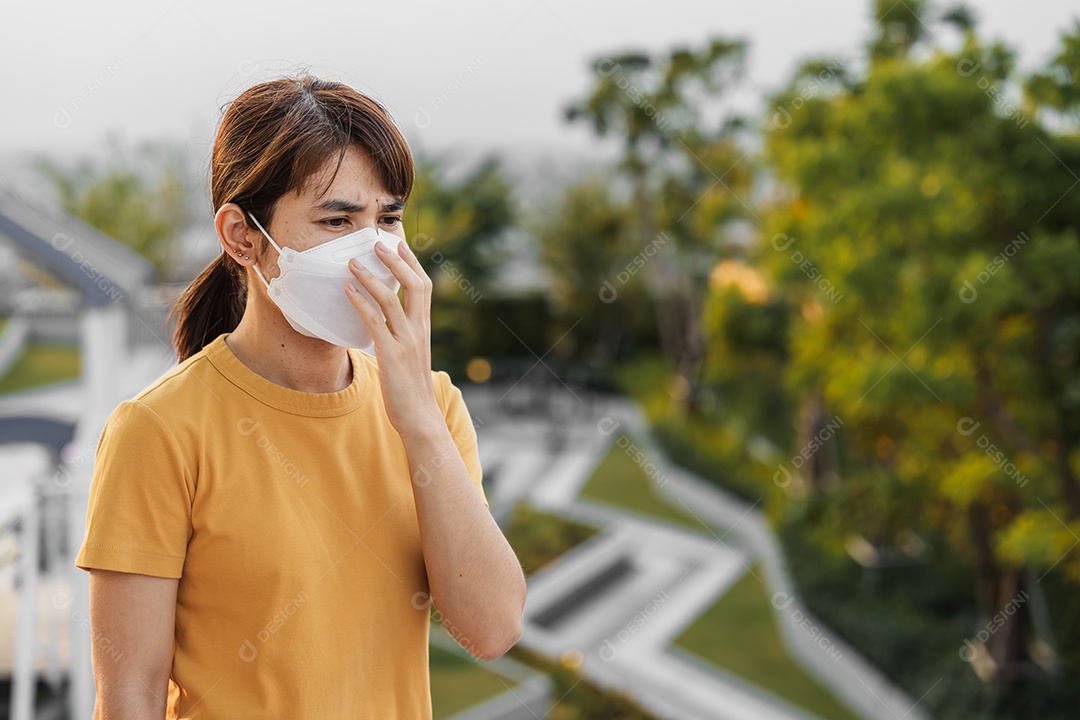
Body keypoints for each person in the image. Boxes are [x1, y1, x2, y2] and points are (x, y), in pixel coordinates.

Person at [74, 75, 525, 719]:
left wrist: (419, 422)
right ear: (242, 235)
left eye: (388, 218)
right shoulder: (159, 429)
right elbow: (129, 696)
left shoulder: (435, 410)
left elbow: (493, 628)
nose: (372, 248)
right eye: (337, 220)